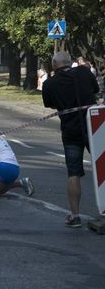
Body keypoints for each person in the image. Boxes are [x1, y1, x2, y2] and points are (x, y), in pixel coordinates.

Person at [42, 51, 99, 227]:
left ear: (54, 65)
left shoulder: (49, 84)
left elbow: (50, 103)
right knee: (102, 167)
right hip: (94, 127)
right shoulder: (84, 72)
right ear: (71, 62)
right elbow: (95, 90)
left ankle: (75, 216)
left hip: (71, 131)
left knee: (73, 172)